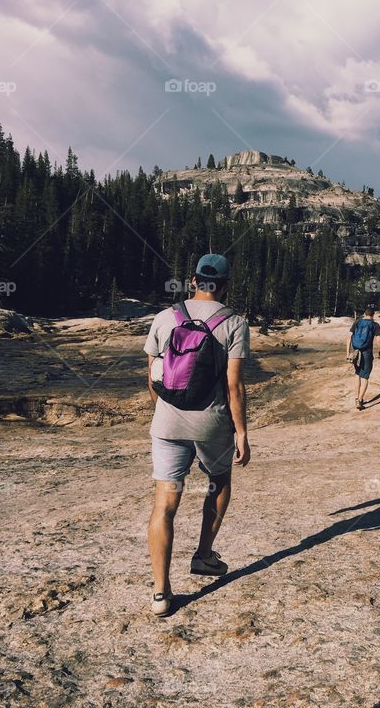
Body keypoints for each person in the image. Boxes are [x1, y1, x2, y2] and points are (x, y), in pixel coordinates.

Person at [143, 253, 251, 617]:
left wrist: (167, 411)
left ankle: (160, 592)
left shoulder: (164, 317)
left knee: (164, 504)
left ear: (193, 281)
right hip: (211, 424)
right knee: (219, 483)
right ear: (224, 285)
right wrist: (241, 432)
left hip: (167, 424)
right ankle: (204, 555)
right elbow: (234, 387)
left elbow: (153, 378)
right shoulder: (233, 322)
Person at [346, 306, 380, 410]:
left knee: (357, 374)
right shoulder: (375, 324)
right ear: (373, 315)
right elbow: (378, 339)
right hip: (367, 353)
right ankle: (360, 400)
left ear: (365, 314)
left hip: (355, 352)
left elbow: (348, 337)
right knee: (365, 377)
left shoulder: (357, 322)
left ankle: (356, 397)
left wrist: (347, 353)